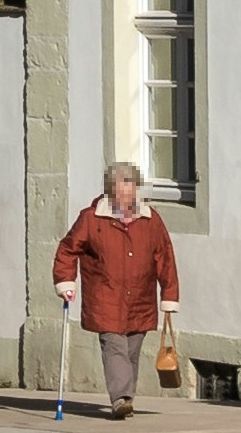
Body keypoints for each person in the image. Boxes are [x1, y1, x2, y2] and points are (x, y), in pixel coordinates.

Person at [53, 161, 182, 414]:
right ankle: (120, 397)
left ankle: (126, 398)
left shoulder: (151, 219)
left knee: (132, 350)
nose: (127, 194)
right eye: (122, 189)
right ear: (111, 190)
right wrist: (66, 280)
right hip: (105, 296)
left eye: (131, 187)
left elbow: (165, 257)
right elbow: (68, 249)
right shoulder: (91, 218)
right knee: (114, 346)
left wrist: (169, 295)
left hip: (141, 299)